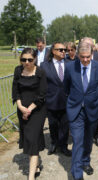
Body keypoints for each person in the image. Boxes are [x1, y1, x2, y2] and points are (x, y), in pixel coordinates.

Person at [63, 43, 98, 180]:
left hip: (92, 110)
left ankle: (86, 162)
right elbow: (66, 88)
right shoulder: (70, 67)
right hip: (76, 111)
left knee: (88, 140)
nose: (85, 60)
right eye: (82, 57)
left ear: (92, 55)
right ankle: (77, 174)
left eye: (88, 57)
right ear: (77, 55)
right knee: (77, 141)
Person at [12, 48, 47, 180]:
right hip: (22, 109)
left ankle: (30, 176)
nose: (26, 62)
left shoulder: (41, 73)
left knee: (32, 139)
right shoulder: (17, 70)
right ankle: (36, 164)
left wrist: (29, 109)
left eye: (29, 60)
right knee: (28, 138)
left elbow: (42, 94)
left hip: (37, 110)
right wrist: (21, 107)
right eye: (23, 59)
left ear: (35, 59)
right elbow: (16, 91)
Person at [40, 42, 71, 157]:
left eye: (64, 50)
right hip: (51, 100)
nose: (63, 52)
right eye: (60, 50)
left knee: (65, 124)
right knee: (53, 124)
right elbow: (41, 84)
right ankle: (54, 143)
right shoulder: (44, 65)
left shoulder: (70, 64)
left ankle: (63, 145)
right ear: (53, 51)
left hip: (67, 101)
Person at [80, 37, 98, 147]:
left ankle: (96, 136)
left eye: (89, 45)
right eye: (85, 45)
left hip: (97, 94)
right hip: (82, 94)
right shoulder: (80, 58)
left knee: (96, 117)